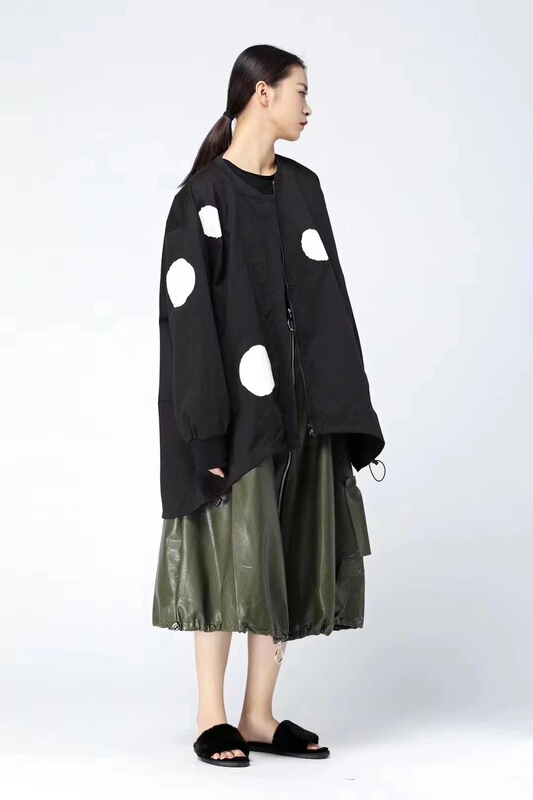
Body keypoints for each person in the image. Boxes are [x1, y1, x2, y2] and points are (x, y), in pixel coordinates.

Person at [152, 44, 386, 767]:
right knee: (228, 551)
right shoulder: (201, 199)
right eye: (299, 91)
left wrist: (346, 409)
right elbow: (189, 323)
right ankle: (211, 715)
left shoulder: (304, 188)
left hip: (305, 409)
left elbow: (328, 301)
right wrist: (203, 436)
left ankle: (258, 714)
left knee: (281, 551)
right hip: (236, 412)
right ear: (262, 93)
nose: (308, 107)